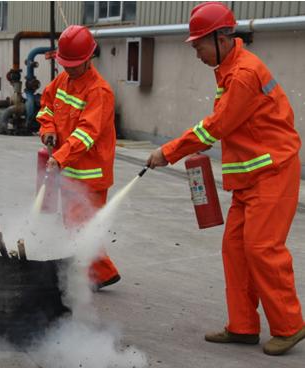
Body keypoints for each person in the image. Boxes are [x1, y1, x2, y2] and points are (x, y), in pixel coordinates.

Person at [146, 2, 304, 356]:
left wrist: (169, 151)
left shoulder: (243, 74)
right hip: (251, 177)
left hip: (273, 172)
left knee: (262, 249)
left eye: (199, 44)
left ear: (221, 38)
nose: (196, 52)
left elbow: (217, 126)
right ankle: (244, 326)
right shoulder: (229, 69)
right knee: (235, 250)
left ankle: (290, 326)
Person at [36, 25, 120, 291]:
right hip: (69, 169)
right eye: (65, 64)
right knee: (77, 225)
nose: (69, 69)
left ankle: (90, 275)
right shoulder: (62, 82)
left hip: (91, 174)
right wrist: (48, 130)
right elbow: (46, 107)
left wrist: (60, 157)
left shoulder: (98, 91)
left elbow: (87, 134)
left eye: (74, 64)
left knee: (80, 225)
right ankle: (101, 273)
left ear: (89, 59)